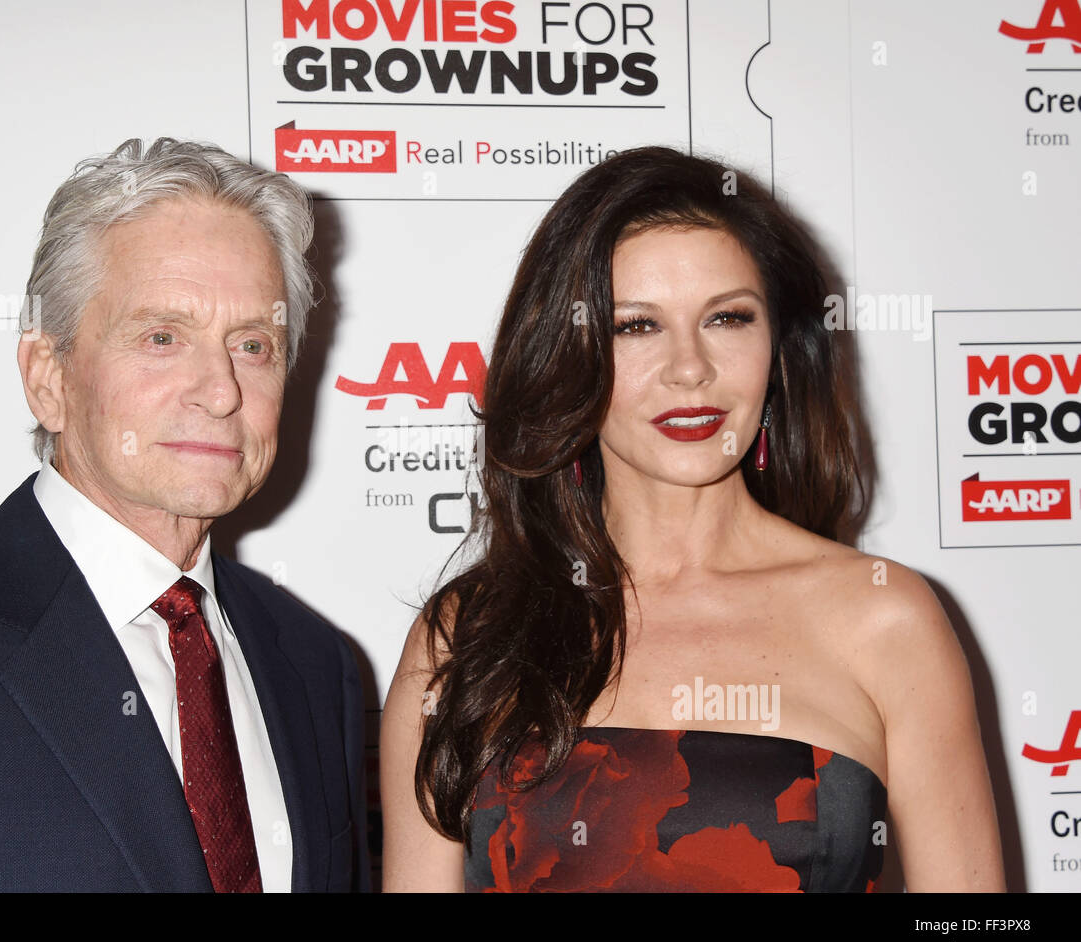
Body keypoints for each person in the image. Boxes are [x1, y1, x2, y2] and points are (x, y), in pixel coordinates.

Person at [380, 146, 1004, 892]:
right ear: (567, 353)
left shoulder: (885, 618)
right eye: (637, 326)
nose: (690, 368)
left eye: (728, 317)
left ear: (778, 348)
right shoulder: (469, 635)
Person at [0, 137, 369, 892]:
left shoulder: (315, 664)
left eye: (253, 344)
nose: (221, 390)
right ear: (48, 377)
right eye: (163, 337)